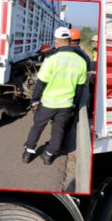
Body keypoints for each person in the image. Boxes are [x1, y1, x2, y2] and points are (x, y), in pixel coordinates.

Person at [22, 27, 87, 165]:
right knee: (58, 130)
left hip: (48, 103)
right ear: (70, 40)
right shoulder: (81, 61)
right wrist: (73, 104)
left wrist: (34, 100)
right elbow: (80, 88)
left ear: (56, 41)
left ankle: (28, 153)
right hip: (66, 104)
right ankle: (48, 155)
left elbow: (41, 83)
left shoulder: (51, 59)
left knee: (38, 127)